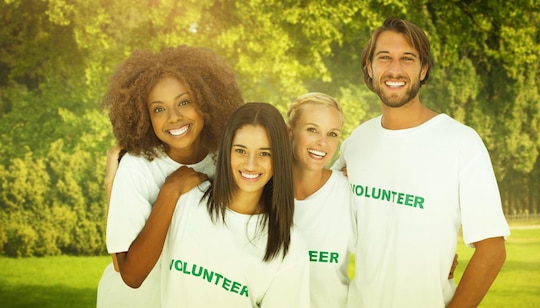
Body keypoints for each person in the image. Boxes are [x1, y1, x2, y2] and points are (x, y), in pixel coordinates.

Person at [333, 17, 510, 307]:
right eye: (384, 58)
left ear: (423, 69)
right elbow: (317, 201)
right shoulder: (356, 143)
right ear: (369, 67)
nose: (395, 69)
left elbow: (492, 250)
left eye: (407, 59)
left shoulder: (461, 143)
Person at [97, 45, 243, 307]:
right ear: (144, 116)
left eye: (184, 102)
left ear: (207, 101)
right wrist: (171, 191)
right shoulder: (138, 167)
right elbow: (130, 274)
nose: (174, 118)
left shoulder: (225, 158)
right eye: (159, 109)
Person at [159, 102, 310, 307]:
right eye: (240, 150)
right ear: (226, 151)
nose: (250, 164)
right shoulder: (185, 201)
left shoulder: (290, 246)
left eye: (264, 153)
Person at [287, 92, 354, 307]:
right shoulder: (260, 191)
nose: (322, 142)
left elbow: (388, 253)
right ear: (290, 133)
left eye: (332, 134)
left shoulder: (349, 194)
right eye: (312, 130)